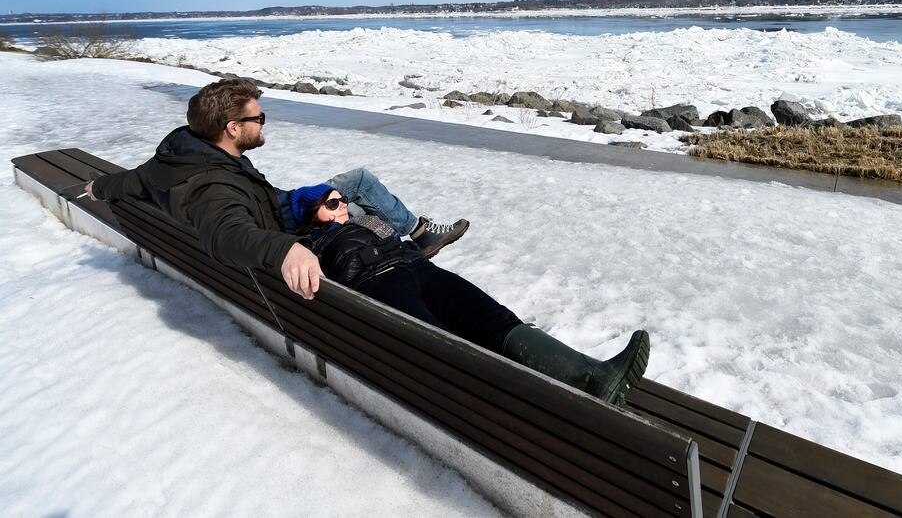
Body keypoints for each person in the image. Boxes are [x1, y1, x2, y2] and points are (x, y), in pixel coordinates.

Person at [83, 77, 462, 301]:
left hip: (280, 212)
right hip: (284, 234)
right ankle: (414, 242)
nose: (264, 123)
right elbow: (227, 232)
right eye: (258, 117)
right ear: (232, 128)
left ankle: (416, 234)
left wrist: (97, 187)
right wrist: (287, 245)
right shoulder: (211, 185)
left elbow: (125, 182)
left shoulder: (179, 158)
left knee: (351, 188)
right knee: (357, 208)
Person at [300, 185, 650, 405]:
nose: (342, 204)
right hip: (379, 285)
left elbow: (362, 184)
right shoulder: (309, 243)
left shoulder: (361, 220)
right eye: (331, 203)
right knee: (444, 342)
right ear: (311, 213)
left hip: (419, 269)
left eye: (342, 199)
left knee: (494, 319)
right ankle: (527, 407)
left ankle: (592, 376)